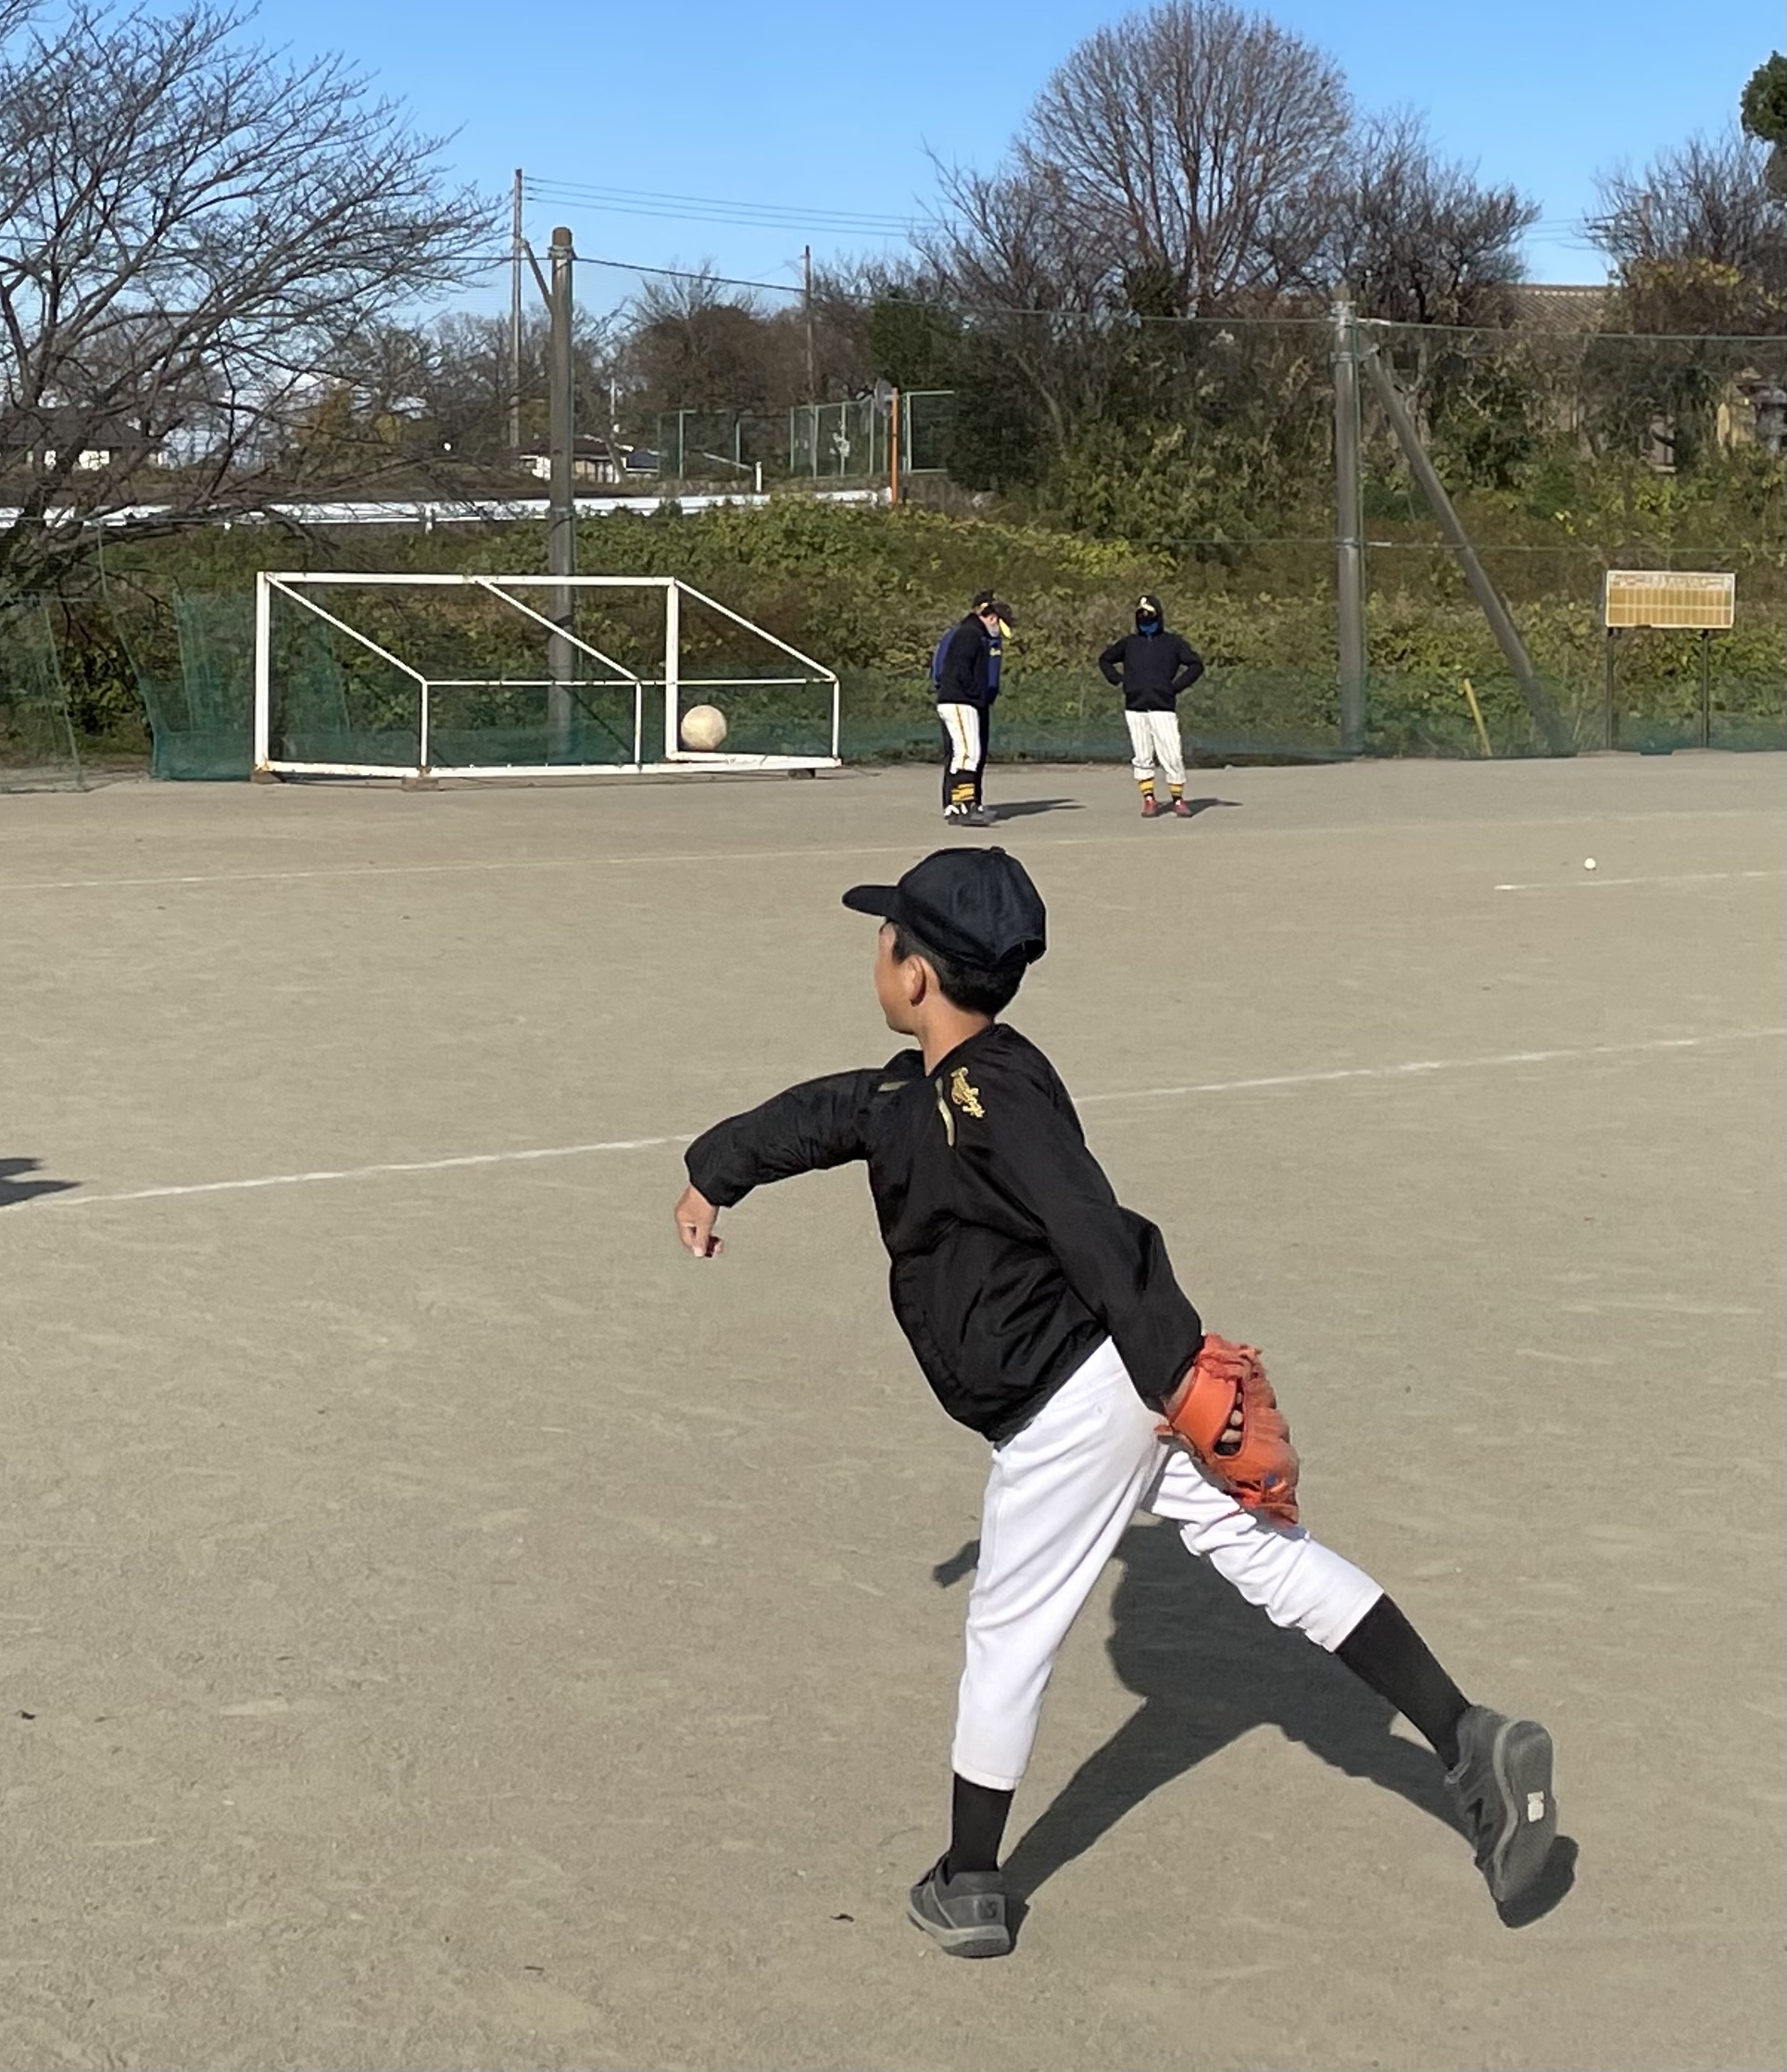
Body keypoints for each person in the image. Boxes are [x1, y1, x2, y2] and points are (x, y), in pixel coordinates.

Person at [668, 847, 1558, 1958]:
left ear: (915, 976)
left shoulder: (998, 1095)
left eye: (887, 933)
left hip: (1076, 1400)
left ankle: (971, 1880)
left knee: (1008, 1637)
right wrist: (717, 1168)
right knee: (1271, 1556)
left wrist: (1182, 1370)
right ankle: (1469, 1735)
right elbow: (827, 1111)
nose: (878, 947)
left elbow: (1094, 1227)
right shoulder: (928, 1090)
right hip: (1117, 1385)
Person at [1098, 594, 1204, 817]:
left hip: (1163, 707)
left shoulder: (1173, 643)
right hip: (1135, 707)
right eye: (1141, 616)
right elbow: (1105, 659)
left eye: (1150, 616)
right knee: (1142, 756)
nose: (1146, 620)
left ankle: (1177, 799)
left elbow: (1195, 665)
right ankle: (1149, 799)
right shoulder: (1129, 644)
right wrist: (1119, 680)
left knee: (1172, 754)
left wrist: (1174, 687)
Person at [932, 592, 1010, 827]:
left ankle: (960, 804)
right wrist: (975, 693)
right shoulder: (969, 635)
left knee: (965, 755)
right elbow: (957, 670)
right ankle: (963, 806)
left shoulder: (974, 635)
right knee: (967, 753)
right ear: (992, 618)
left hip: (963, 700)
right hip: (961, 700)